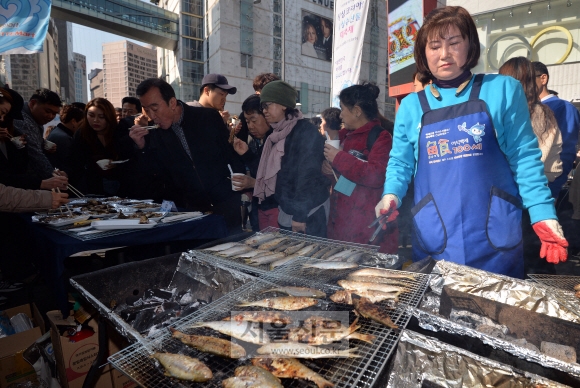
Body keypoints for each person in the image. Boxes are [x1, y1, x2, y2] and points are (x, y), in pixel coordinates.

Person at [375, 6, 568, 278]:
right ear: (423, 53)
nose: (444, 54)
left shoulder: (501, 90)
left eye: (454, 43)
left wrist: (542, 212)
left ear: (470, 46)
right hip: (435, 233)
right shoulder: (410, 106)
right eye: (434, 46)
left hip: (495, 233)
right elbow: (401, 162)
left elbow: (524, 157)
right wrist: (391, 193)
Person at [129, 78, 245, 234]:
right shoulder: (154, 134)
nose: (151, 116)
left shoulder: (207, 117)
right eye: (146, 109)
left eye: (154, 108)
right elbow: (155, 177)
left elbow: (230, 155)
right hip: (190, 214)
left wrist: (238, 193)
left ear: (171, 103)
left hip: (225, 206)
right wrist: (141, 147)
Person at [324, 83, 398, 253]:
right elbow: (341, 179)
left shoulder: (381, 137)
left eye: (343, 109)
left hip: (367, 229)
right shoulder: (343, 136)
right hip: (340, 223)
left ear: (357, 111)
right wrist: (329, 170)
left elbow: (376, 175)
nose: (340, 115)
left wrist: (339, 158)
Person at [255, 80, 329, 236]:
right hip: (288, 210)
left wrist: (300, 215)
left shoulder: (305, 131)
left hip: (308, 214)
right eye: (262, 107)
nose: (264, 111)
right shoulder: (276, 134)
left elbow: (308, 175)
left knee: (309, 258)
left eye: (267, 105)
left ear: (283, 104)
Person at [499, 57, 563, 183]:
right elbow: (555, 167)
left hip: (508, 190)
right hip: (534, 187)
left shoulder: (498, 110)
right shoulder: (544, 113)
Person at [533, 61, 580, 199]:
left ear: (543, 79)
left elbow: (565, 151)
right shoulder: (525, 109)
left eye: (528, 79)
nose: (523, 85)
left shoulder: (563, 108)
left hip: (547, 187)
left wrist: (554, 187)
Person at [232, 95, 275, 231]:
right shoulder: (264, 141)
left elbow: (277, 183)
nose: (250, 126)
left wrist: (252, 183)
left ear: (267, 116)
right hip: (262, 207)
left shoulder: (277, 141)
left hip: (275, 209)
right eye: (247, 121)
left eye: (254, 120)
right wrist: (246, 153)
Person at [67, 98, 123, 196]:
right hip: (91, 188)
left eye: (101, 117)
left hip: (120, 185)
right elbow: (73, 162)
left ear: (109, 117)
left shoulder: (119, 132)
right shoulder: (81, 134)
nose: (95, 120)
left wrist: (116, 164)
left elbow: (130, 159)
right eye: (91, 115)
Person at [13, 89, 62, 179]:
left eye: (54, 113)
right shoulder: (23, 120)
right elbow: (35, 154)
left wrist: (42, 143)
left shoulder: (35, 120)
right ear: (32, 104)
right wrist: (53, 175)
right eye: (48, 111)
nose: (50, 116)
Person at [46, 104, 84, 172]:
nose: (82, 127)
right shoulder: (64, 138)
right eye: (81, 123)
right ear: (73, 121)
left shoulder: (57, 132)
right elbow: (70, 165)